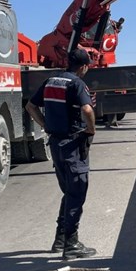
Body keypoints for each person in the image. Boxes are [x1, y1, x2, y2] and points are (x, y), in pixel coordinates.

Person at [25, 48, 97, 259]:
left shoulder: (50, 81)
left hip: (56, 144)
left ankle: (60, 239)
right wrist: (91, 130)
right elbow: (87, 110)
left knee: (69, 192)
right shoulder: (76, 84)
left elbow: (30, 106)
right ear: (83, 66)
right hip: (73, 145)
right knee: (77, 192)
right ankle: (71, 245)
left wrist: (45, 125)